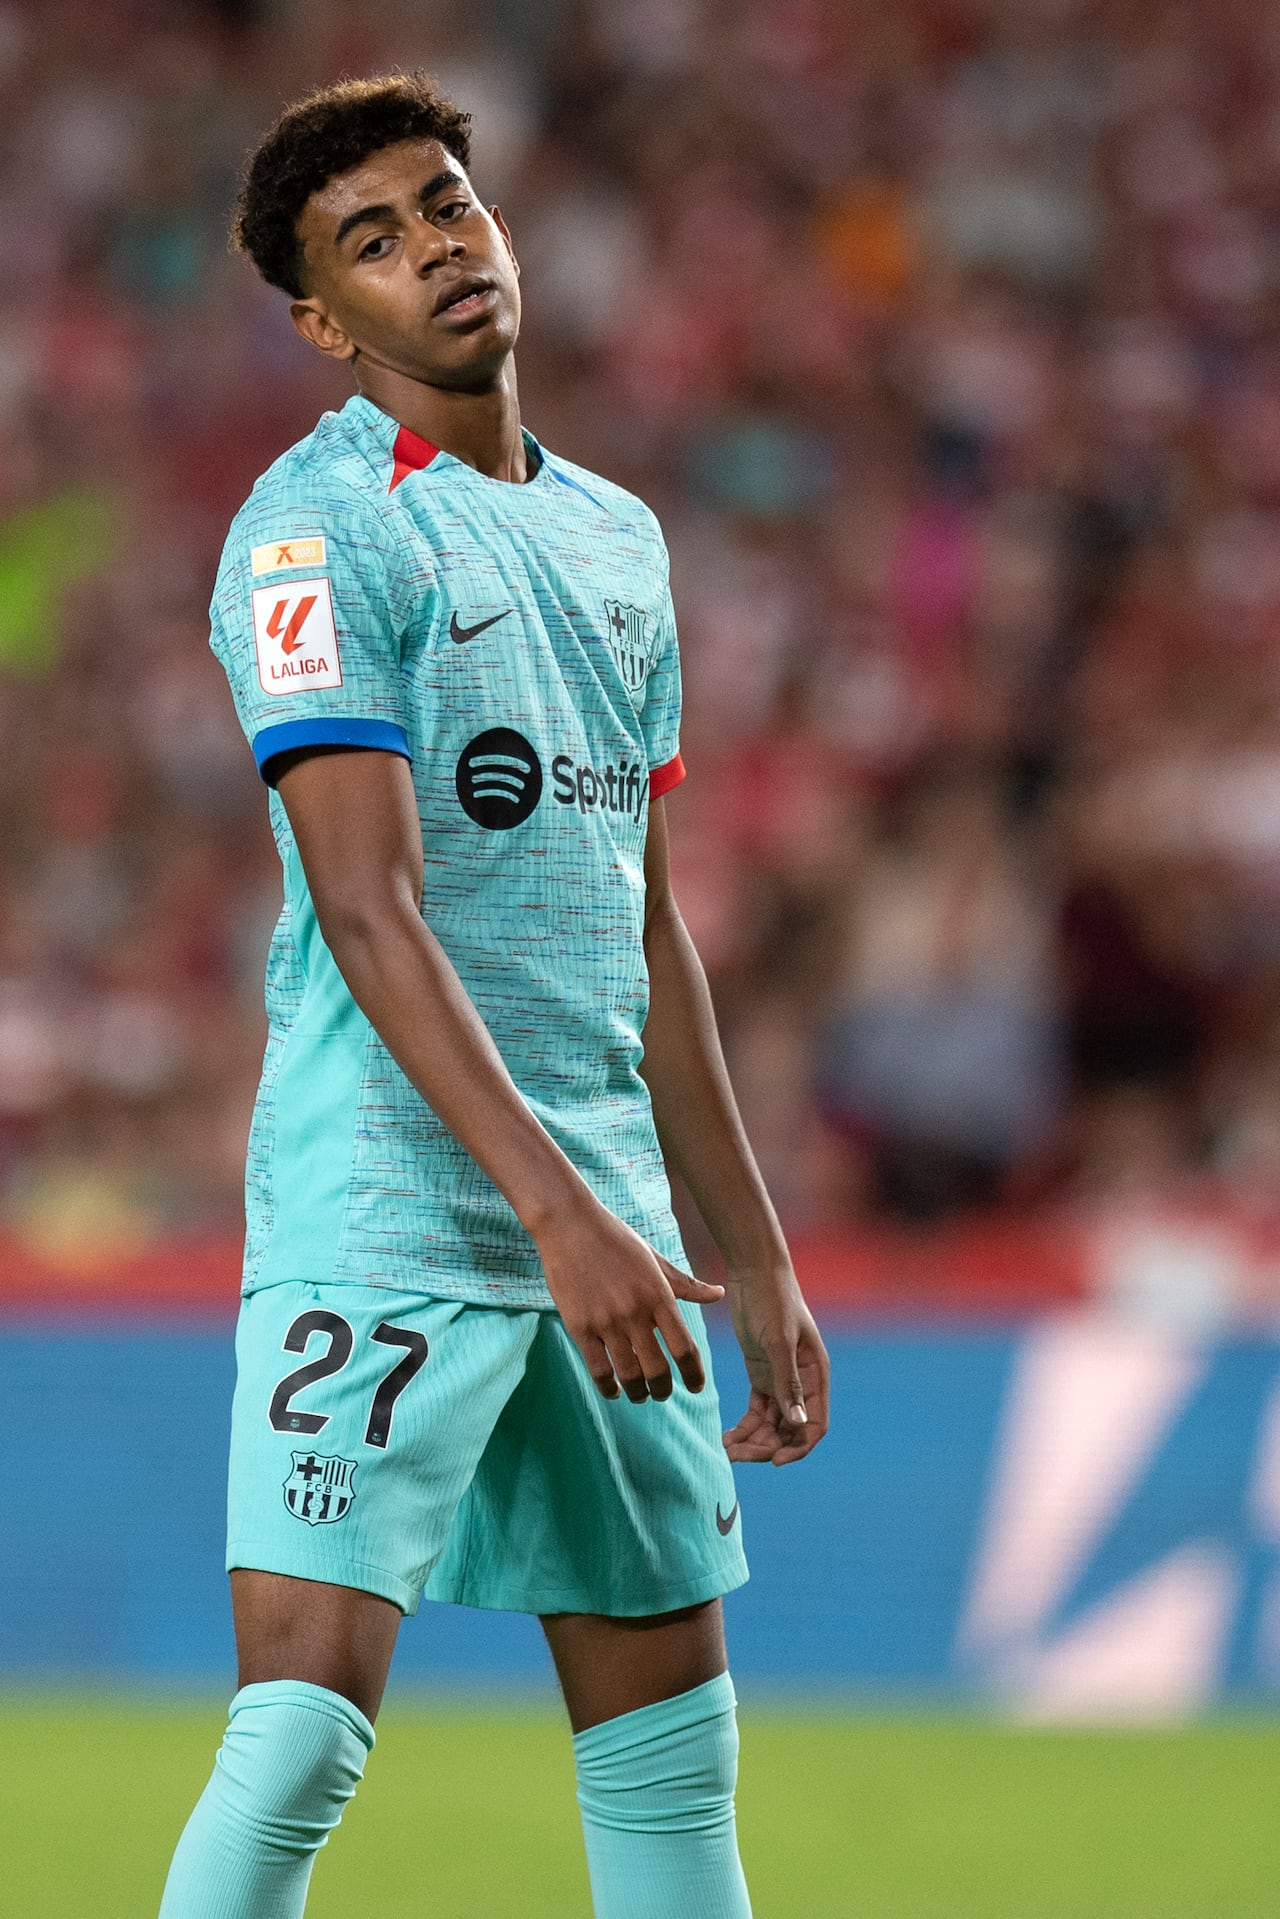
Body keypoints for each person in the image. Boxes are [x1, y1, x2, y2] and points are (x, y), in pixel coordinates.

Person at [159, 71, 829, 1919]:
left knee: (677, 1761)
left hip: (609, 1231)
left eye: (446, 203)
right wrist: (556, 1218)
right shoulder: (308, 540)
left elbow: (651, 925)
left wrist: (747, 1243)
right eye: (371, 241)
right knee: (296, 1741)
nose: (433, 248)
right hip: (389, 1209)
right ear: (323, 320)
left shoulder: (620, 539)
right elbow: (369, 913)